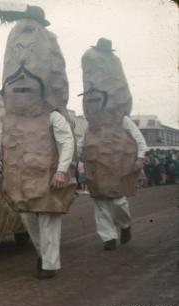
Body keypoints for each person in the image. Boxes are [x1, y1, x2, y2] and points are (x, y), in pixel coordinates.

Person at [0, 6, 76, 279]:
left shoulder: (52, 117)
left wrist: (61, 169)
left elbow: (67, 142)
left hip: (48, 177)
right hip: (21, 179)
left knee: (48, 218)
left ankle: (49, 264)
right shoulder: (9, 118)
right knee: (27, 217)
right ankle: (43, 255)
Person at [78, 38, 147, 251]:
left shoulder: (122, 119)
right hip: (97, 165)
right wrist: (77, 156)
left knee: (119, 202)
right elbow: (83, 141)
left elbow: (138, 138)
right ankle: (107, 237)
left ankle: (125, 225)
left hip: (118, 164)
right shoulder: (92, 124)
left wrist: (140, 157)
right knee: (100, 203)